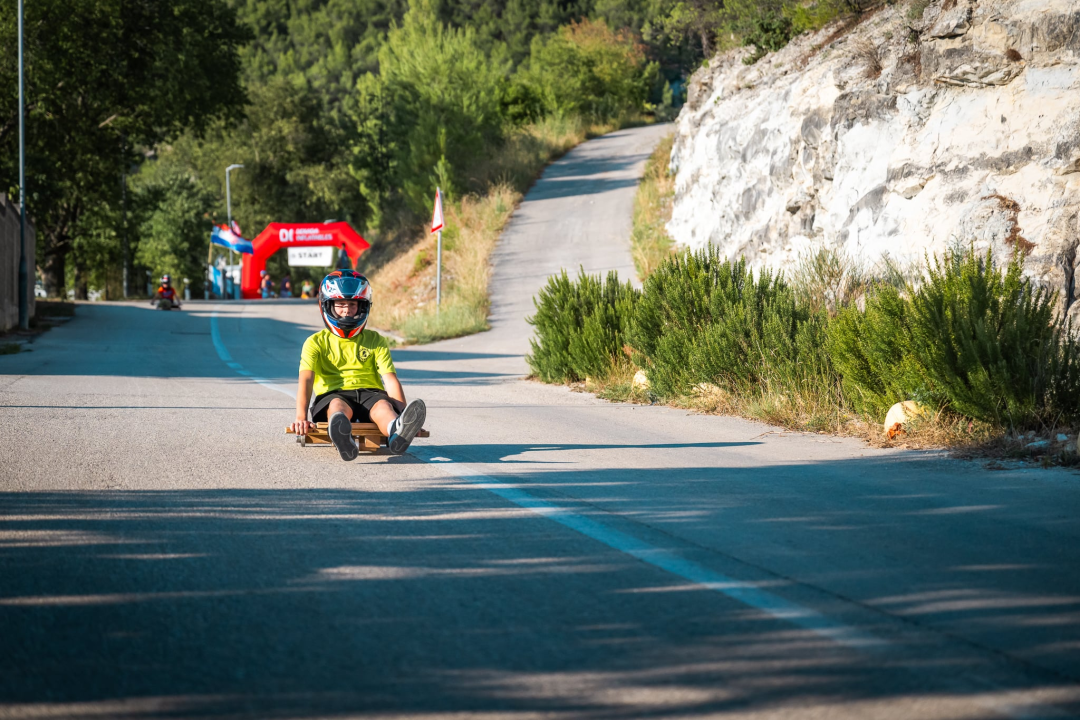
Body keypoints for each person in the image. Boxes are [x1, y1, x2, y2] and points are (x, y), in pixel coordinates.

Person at [289, 270, 426, 461]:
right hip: (333, 394)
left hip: (370, 392)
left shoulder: (375, 340)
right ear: (327, 306)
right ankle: (344, 437)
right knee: (338, 407)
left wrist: (403, 414)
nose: (346, 310)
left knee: (383, 407)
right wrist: (300, 417)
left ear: (362, 307)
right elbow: (306, 379)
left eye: (352, 305)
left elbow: (390, 380)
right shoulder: (315, 342)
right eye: (341, 305)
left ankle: (397, 430)